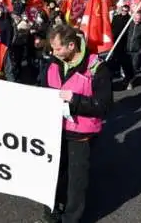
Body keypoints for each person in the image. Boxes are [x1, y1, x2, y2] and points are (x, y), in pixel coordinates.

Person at [36, 24, 111, 223]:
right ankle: (51, 210)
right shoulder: (52, 64)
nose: (53, 53)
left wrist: (75, 99)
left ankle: (71, 218)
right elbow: (39, 92)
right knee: (53, 173)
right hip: (54, 130)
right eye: (52, 48)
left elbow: (103, 106)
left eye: (58, 49)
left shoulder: (96, 67)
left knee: (76, 181)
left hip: (80, 134)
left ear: (71, 45)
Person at [123, 10, 141, 90]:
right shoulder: (129, 24)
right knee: (127, 67)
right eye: (135, 18)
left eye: (139, 18)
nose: (137, 20)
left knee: (134, 67)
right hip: (127, 49)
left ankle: (130, 82)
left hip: (136, 51)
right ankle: (127, 78)